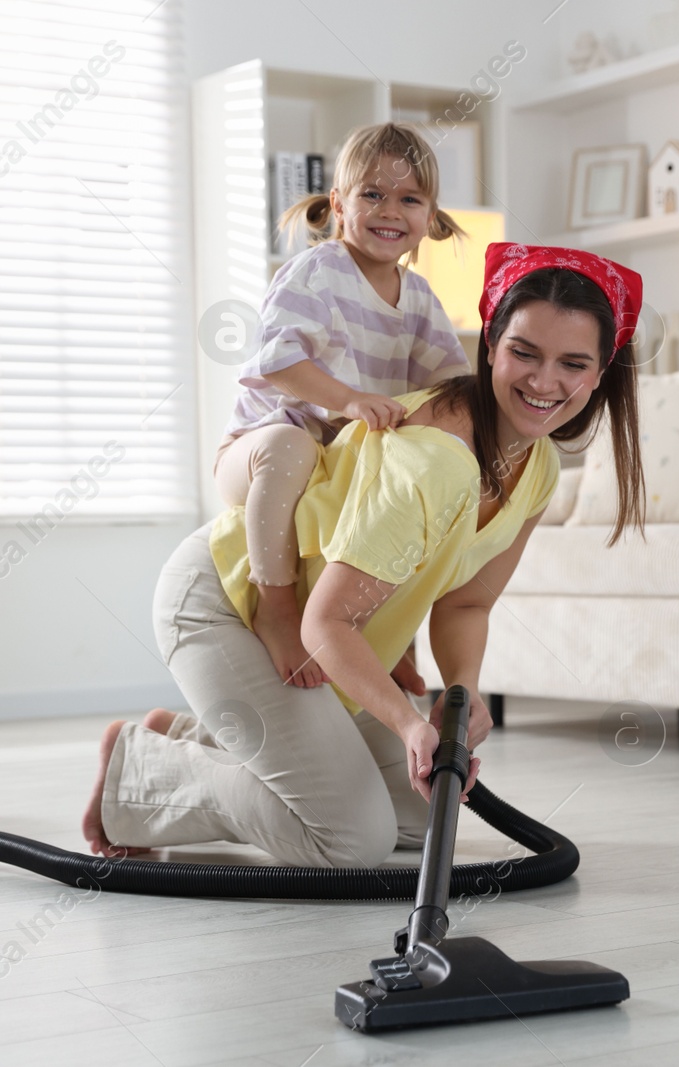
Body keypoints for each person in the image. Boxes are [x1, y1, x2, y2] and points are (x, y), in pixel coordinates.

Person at [82, 242, 646, 867]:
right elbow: (325, 622)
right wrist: (409, 727)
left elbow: (467, 603)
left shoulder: (537, 465)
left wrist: (461, 694)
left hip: (318, 630)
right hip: (233, 604)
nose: (545, 382)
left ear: (601, 373)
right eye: (523, 352)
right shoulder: (432, 463)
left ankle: (188, 738)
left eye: (573, 363)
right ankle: (141, 777)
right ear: (490, 347)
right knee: (351, 841)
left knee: (423, 813)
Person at [216, 123, 470, 692]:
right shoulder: (318, 271)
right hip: (256, 452)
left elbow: (452, 384)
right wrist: (350, 399)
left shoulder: (421, 299)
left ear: (429, 218)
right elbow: (277, 359)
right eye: (372, 194)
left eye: (409, 199)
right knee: (292, 443)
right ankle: (277, 608)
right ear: (338, 204)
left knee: (412, 485)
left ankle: (390, 638)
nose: (390, 210)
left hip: (336, 465)